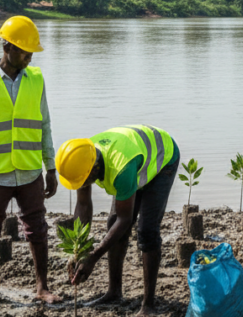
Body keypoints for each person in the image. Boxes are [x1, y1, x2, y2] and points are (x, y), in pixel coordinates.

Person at [0, 16, 60, 307]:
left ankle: (42, 287)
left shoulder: (37, 79)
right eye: (23, 51)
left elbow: (44, 125)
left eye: (31, 52)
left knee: (38, 228)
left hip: (30, 170)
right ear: (6, 45)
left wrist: (51, 166)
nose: (29, 57)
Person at [56, 125, 180, 317]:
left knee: (147, 231)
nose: (81, 186)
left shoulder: (120, 168)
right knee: (111, 222)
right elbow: (83, 205)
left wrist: (94, 257)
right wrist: (78, 249)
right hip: (134, 158)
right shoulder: (83, 157)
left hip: (163, 158)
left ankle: (148, 305)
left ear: (95, 168)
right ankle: (114, 292)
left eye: (83, 180)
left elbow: (125, 219)